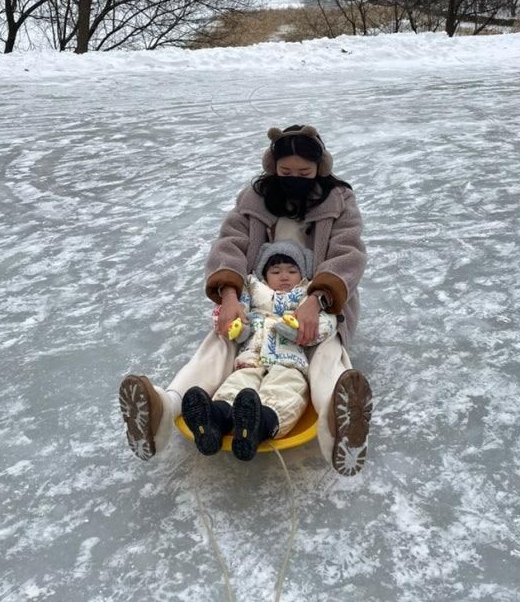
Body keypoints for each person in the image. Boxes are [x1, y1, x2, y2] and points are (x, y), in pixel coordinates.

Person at [119, 124, 373, 477]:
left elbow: (349, 251)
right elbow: (231, 243)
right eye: (286, 172)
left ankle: (338, 427)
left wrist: (318, 299)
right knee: (220, 343)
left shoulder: (338, 200)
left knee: (324, 349)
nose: (295, 178)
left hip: (321, 295)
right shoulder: (254, 198)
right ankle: (167, 406)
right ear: (273, 167)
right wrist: (229, 296)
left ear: (321, 168)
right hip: (256, 295)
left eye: (304, 172)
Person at [181, 242, 337, 461]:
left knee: (285, 390)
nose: (284, 276)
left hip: (288, 359)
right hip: (250, 357)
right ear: (264, 274)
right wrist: (238, 328)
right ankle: (214, 420)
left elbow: (327, 323)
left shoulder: (305, 294)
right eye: (276, 271)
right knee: (237, 385)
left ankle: (262, 423)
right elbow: (226, 314)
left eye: (292, 271)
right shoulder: (252, 289)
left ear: (301, 274)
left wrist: (300, 331)